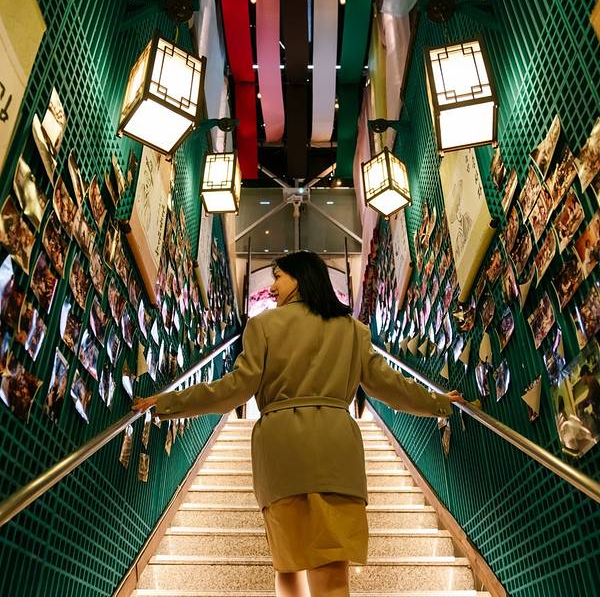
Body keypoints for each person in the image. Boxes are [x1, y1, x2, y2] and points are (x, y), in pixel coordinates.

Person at [132, 251, 465, 597]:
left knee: (288, 564)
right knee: (333, 576)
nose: (272, 286)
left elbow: (232, 390)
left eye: (278, 277)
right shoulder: (353, 331)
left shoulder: (263, 326)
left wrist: (168, 403)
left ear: (300, 277)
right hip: (337, 456)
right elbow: (391, 387)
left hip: (283, 454)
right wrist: (439, 402)